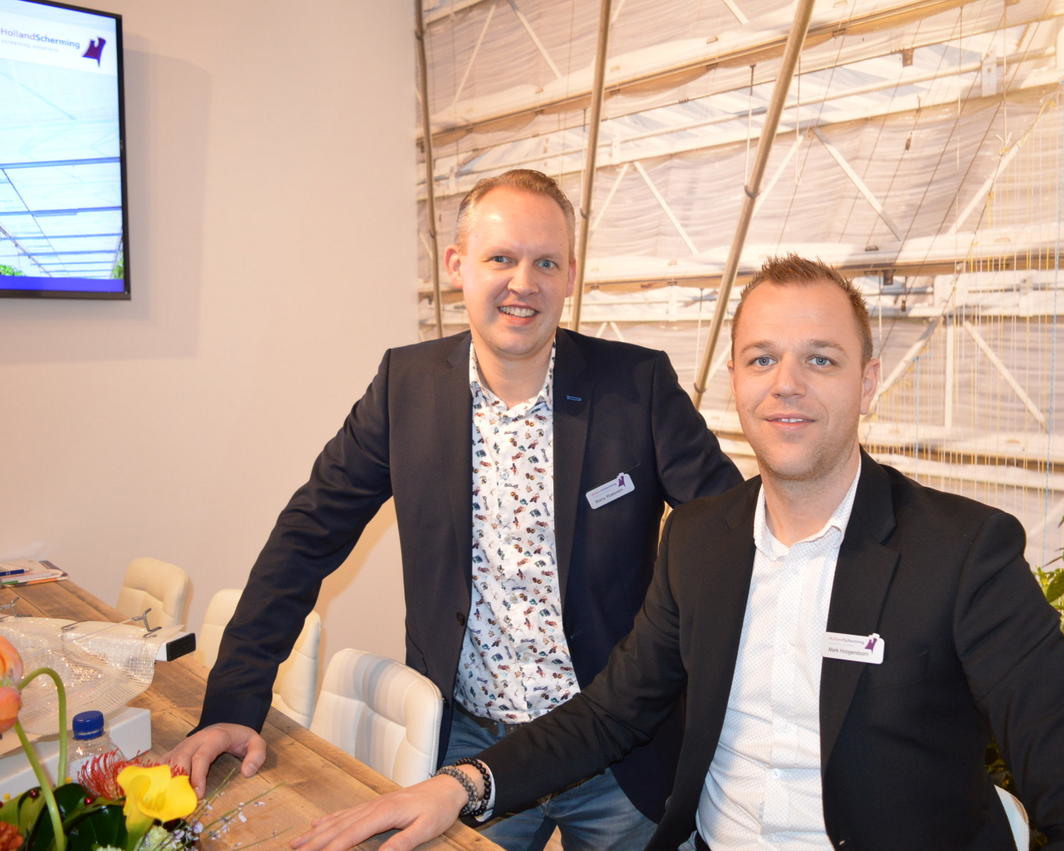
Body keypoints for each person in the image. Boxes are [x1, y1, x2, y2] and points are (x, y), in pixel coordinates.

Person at [292, 255, 1064, 851]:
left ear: (867, 382)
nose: (787, 384)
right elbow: (610, 713)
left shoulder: (962, 552)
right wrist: (462, 784)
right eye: (762, 358)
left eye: (820, 360)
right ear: (736, 383)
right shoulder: (702, 539)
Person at [165, 168, 742, 850]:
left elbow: (730, 536)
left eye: (545, 262)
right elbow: (306, 536)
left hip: (620, 753)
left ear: (570, 275)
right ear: (457, 265)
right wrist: (234, 702)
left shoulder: (636, 385)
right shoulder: (404, 387)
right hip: (469, 747)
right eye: (500, 258)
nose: (523, 283)